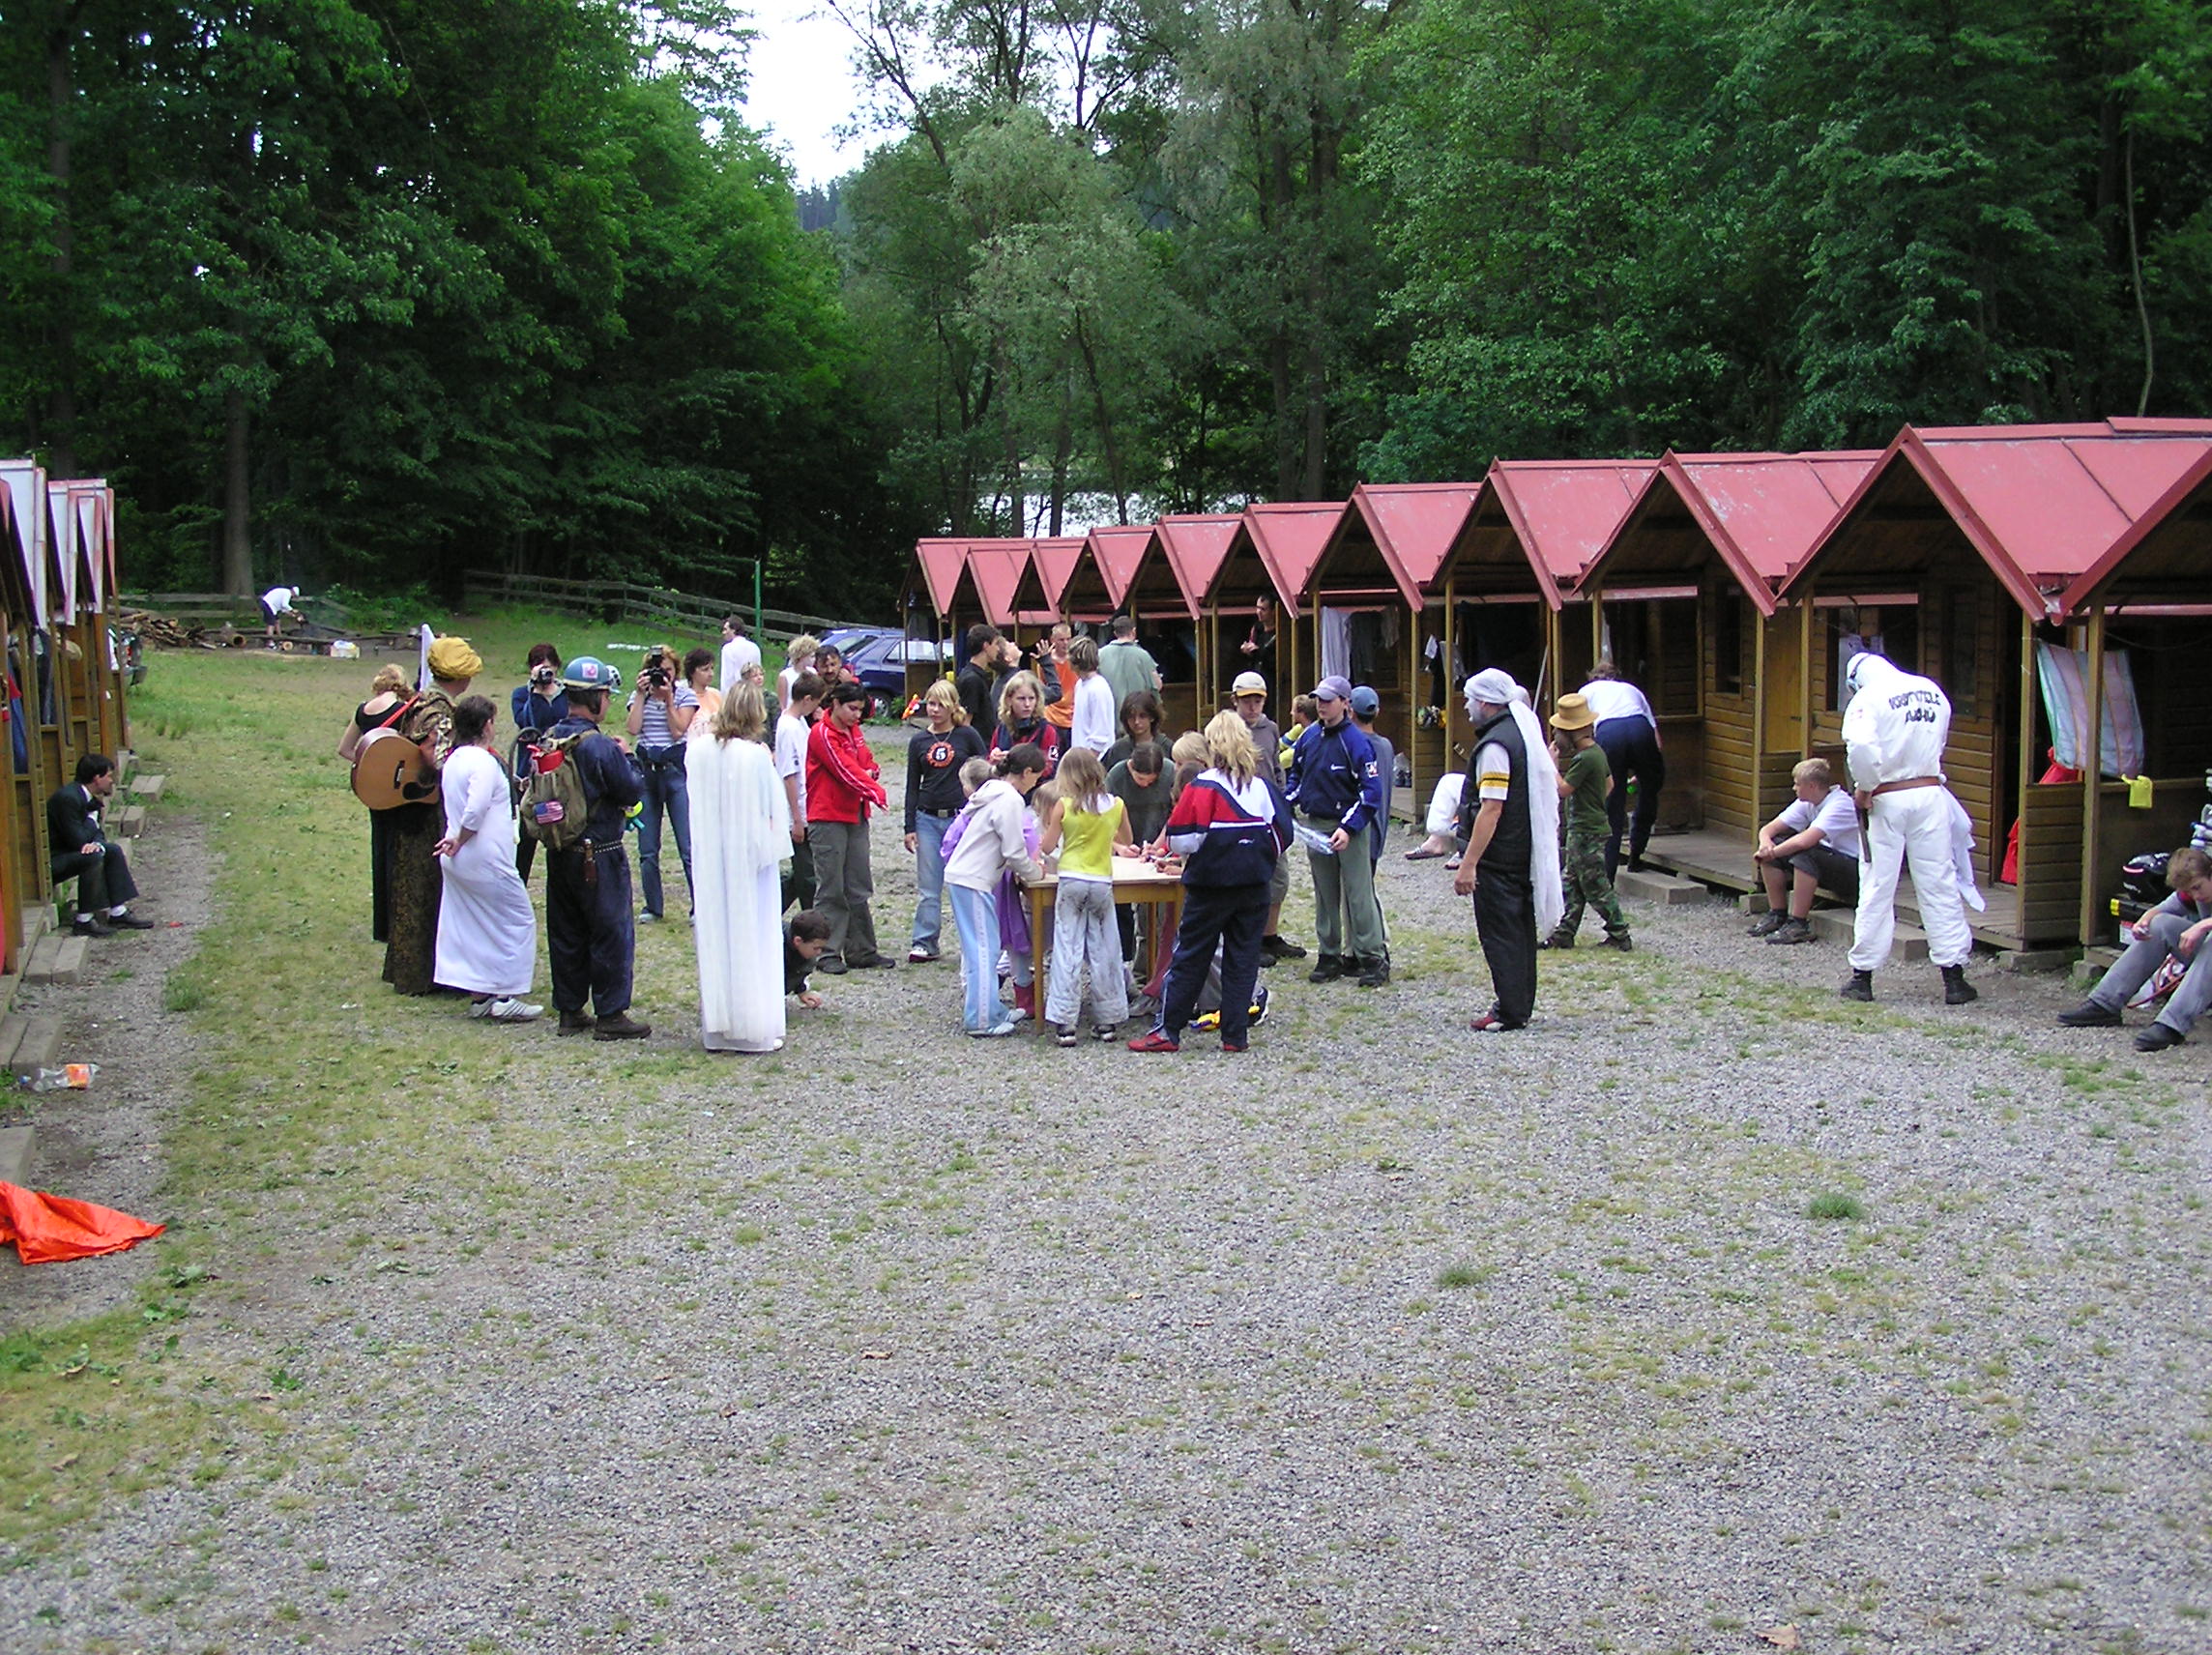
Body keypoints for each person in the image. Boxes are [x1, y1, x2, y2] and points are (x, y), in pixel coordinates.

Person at [1128, 712, 1290, 1056]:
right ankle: (1234, 1034)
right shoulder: (1261, 787)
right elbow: (1283, 833)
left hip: (1210, 885)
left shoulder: (1203, 786)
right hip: (1254, 884)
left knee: (1190, 956)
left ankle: (1168, 1031)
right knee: (1242, 957)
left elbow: (1181, 839)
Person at [1836, 652, 1977, 1006]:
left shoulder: (1868, 698)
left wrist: (1865, 786)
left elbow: (1862, 746)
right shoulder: (1931, 690)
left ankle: (1863, 976)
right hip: (1930, 793)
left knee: (1878, 883)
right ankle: (1954, 977)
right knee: (1939, 881)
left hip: (1887, 796)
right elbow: (1939, 739)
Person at [542, 656, 651, 1039]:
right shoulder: (600, 746)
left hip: (560, 848)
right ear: (596, 698)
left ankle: (570, 1010)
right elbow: (630, 790)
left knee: (566, 931)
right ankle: (611, 1014)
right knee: (610, 931)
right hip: (599, 851)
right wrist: (628, 757)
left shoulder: (549, 737)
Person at [1451, 669, 1563, 1031]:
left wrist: (1470, 862)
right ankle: (1519, 1004)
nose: (1466, 707)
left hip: (1500, 856)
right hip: (1520, 849)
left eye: (1470, 699)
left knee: (1502, 935)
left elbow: (1492, 808)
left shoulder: (1496, 746)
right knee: (1520, 932)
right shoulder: (1520, 735)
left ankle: (1510, 1011)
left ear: (1486, 702)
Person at [689, 682, 792, 1053]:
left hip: (712, 857)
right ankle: (753, 1027)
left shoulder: (697, 752)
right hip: (749, 858)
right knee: (753, 934)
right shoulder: (756, 757)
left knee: (718, 934)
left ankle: (719, 1025)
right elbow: (773, 812)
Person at [431, 695, 541, 1021]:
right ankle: (505, 994)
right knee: (516, 919)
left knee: (474, 925)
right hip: (483, 857)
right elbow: (475, 809)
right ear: (485, 725)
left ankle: (481, 995)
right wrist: (460, 839)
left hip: (462, 858)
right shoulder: (482, 762)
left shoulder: (454, 759)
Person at [385, 636, 477, 996]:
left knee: (414, 886)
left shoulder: (419, 700)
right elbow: (435, 755)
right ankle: (427, 974)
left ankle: (411, 970)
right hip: (428, 807)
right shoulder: (439, 710)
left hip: (412, 804)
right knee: (429, 887)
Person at [1286, 675, 1387, 988]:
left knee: (1358, 894)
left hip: (1350, 827)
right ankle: (1329, 954)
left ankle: (1372, 957)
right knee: (1324, 893)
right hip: (1317, 824)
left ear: (1345, 704)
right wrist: (1285, 804)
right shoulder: (1309, 737)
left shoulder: (1356, 742)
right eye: (1319, 700)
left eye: (1329, 701)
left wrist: (1348, 827)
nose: (1322, 706)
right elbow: (1297, 777)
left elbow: (1370, 792)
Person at [2058, 848, 2212, 1052]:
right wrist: (2143, 922)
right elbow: (2163, 908)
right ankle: (2104, 1004)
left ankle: (2172, 1024)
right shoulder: (2194, 891)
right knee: (2160, 924)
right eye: (2190, 891)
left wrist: (2202, 926)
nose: (2195, 895)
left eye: (2197, 888)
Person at [943, 744, 1048, 1036]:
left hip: (968, 877)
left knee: (986, 946)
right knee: (983, 951)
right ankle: (980, 1020)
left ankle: (993, 1009)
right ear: (1026, 772)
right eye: (1036, 777)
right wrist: (1035, 872)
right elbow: (1014, 851)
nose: (1035, 784)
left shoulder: (993, 789)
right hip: (973, 879)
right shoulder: (1010, 799)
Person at [1040, 747, 1134, 1044]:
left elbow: (1047, 846)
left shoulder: (1064, 806)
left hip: (1071, 877)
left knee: (1067, 948)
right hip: (1101, 879)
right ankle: (1108, 1020)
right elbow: (1127, 839)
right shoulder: (1116, 805)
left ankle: (1065, 1021)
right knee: (1105, 949)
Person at [805, 681, 893, 973]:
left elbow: (866, 763)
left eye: (860, 710)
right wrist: (874, 789)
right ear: (835, 704)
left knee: (858, 884)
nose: (857, 715)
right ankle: (826, 952)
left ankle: (861, 949)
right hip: (828, 816)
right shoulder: (822, 733)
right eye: (852, 709)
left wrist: (871, 775)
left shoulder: (854, 732)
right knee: (831, 887)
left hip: (855, 814)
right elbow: (844, 769)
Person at [904, 680, 987, 963]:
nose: (935, 709)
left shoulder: (967, 735)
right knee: (929, 887)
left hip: (960, 817)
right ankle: (924, 940)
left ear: (953, 707)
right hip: (927, 817)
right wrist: (909, 826)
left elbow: (983, 772)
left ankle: (973, 942)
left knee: (965, 883)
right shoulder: (919, 741)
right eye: (931, 703)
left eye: (941, 704)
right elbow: (912, 785)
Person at [1543, 692, 1630, 952]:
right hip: (1588, 827)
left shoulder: (1584, 759)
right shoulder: (1598, 753)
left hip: (1585, 831)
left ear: (1572, 732)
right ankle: (1564, 933)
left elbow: (1563, 790)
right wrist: (1594, 802)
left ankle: (1619, 933)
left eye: (1559, 730)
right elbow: (1610, 784)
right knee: (1573, 883)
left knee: (1594, 884)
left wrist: (1551, 765)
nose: (1556, 735)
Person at [1231, 671, 1305, 966]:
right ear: (1235, 701)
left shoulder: (1270, 728)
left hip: (1270, 812)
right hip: (1241, 814)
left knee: (1278, 877)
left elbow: (1276, 766)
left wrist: (1283, 800)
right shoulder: (1227, 729)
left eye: (1257, 700)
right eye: (1246, 700)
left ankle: (1269, 935)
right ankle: (1249, 939)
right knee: (1249, 880)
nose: (1252, 706)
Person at [1748, 757, 1861, 945]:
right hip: (1829, 863)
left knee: (1805, 853)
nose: (1794, 788)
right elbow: (1768, 829)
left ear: (1812, 786)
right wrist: (1766, 845)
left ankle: (1798, 924)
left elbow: (1805, 840)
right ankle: (1777, 914)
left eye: (1797, 784)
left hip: (1854, 871)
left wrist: (1772, 853)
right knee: (1776, 844)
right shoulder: (1808, 801)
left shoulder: (1840, 804)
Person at [625, 646, 699, 922]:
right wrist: (641, 695)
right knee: (647, 848)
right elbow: (633, 728)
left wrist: (668, 701)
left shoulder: (684, 695)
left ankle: (699, 906)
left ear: (676, 672)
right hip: (648, 773)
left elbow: (679, 730)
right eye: (657, 671)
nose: (662, 677)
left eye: (668, 671)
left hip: (674, 771)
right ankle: (653, 906)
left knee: (687, 846)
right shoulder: (639, 695)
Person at [339, 664, 414, 940]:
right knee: (399, 852)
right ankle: (399, 917)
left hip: (372, 789)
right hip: (398, 791)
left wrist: (370, 768)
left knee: (380, 850)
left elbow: (345, 748)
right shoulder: (404, 710)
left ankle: (381, 923)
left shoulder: (363, 710)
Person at [46, 754, 154, 936]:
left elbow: (97, 834)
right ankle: (84, 920)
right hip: (54, 861)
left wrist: (97, 842)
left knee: (112, 850)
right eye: (109, 776)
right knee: (93, 857)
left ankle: (118, 912)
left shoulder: (84, 797)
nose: (112, 781)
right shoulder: (68, 799)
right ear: (97, 778)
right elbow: (77, 840)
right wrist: (91, 820)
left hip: (72, 850)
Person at [1580, 661, 1665, 879]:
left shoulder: (1586, 691)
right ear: (1615, 676)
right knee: (1648, 791)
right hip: (1639, 728)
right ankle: (1636, 853)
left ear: (1593, 677)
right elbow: (1657, 741)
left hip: (1609, 732)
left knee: (1612, 801)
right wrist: (1646, 771)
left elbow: (1581, 731)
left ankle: (1608, 874)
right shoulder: (1631, 689)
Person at [1348, 684, 1396, 979]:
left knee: (1362, 894)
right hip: (1379, 827)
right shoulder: (1386, 746)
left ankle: (1378, 950)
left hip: (1362, 828)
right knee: (1362, 890)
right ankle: (1357, 950)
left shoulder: (1356, 746)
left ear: (1350, 711)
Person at [776, 672, 825, 914]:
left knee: (805, 870)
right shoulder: (788, 727)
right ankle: (810, 917)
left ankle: (769, 909)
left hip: (810, 805)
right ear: (807, 700)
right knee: (807, 876)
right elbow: (789, 775)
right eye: (815, 703)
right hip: (799, 810)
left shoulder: (800, 723)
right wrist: (796, 818)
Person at [990, 670, 1061, 778]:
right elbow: (990, 766)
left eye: (1031, 698)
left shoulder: (1048, 730)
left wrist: (1018, 763)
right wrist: (994, 759)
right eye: (1021, 699)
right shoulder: (1001, 730)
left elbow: (1051, 767)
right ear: (1009, 700)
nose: (1027, 704)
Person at [1097, 614, 1162, 716]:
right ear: (1134, 631)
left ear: (1115, 633)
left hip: (1109, 715)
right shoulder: (1143, 655)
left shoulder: (1100, 654)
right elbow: (1157, 685)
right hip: (1136, 717)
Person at [1066, 637, 1117, 756]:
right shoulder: (1080, 684)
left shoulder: (1098, 689)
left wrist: (1088, 761)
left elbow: (1100, 734)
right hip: (1081, 756)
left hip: (1095, 760)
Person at [956, 624, 1004, 735]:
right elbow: (965, 722)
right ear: (986, 646)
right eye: (996, 644)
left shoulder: (974, 675)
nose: (998, 649)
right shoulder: (972, 680)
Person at [1102, 689, 1165, 772]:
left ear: (1152, 717)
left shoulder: (1166, 746)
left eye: (1142, 716)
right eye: (1131, 717)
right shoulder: (1118, 749)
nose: (1136, 722)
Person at [786, 909, 831, 1010]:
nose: (819, 952)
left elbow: (797, 969)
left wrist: (802, 991)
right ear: (798, 941)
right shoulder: (774, 950)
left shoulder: (803, 951)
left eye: (821, 948)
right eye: (815, 948)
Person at [719, 614, 762, 695]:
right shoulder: (755, 647)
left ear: (733, 630)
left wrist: (725, 697)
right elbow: (758, 673)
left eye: (725, 629)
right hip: (753, 693)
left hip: (736, 694)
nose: (723, 633)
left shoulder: (728, 648)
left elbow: (727, 677)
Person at [776, 635, 819, 714]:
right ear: (802, 657)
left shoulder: (813, 672)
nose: (814, 659)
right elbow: (782, 704)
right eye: (811, 656)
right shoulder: (785, 675)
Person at [683, 647, 721, 730]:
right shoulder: (685, 698)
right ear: (692, 672)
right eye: (705, 670)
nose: (711, 674)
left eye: (712, 668)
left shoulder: (716, 694)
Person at [1239, 595, 1276, 665]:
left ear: (1273, 611)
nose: (1259, 612)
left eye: (1263, 609)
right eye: (1258, 608)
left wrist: (1258, 651)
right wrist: (1247, 649)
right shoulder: (1256, 628)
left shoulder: (1280, 632)